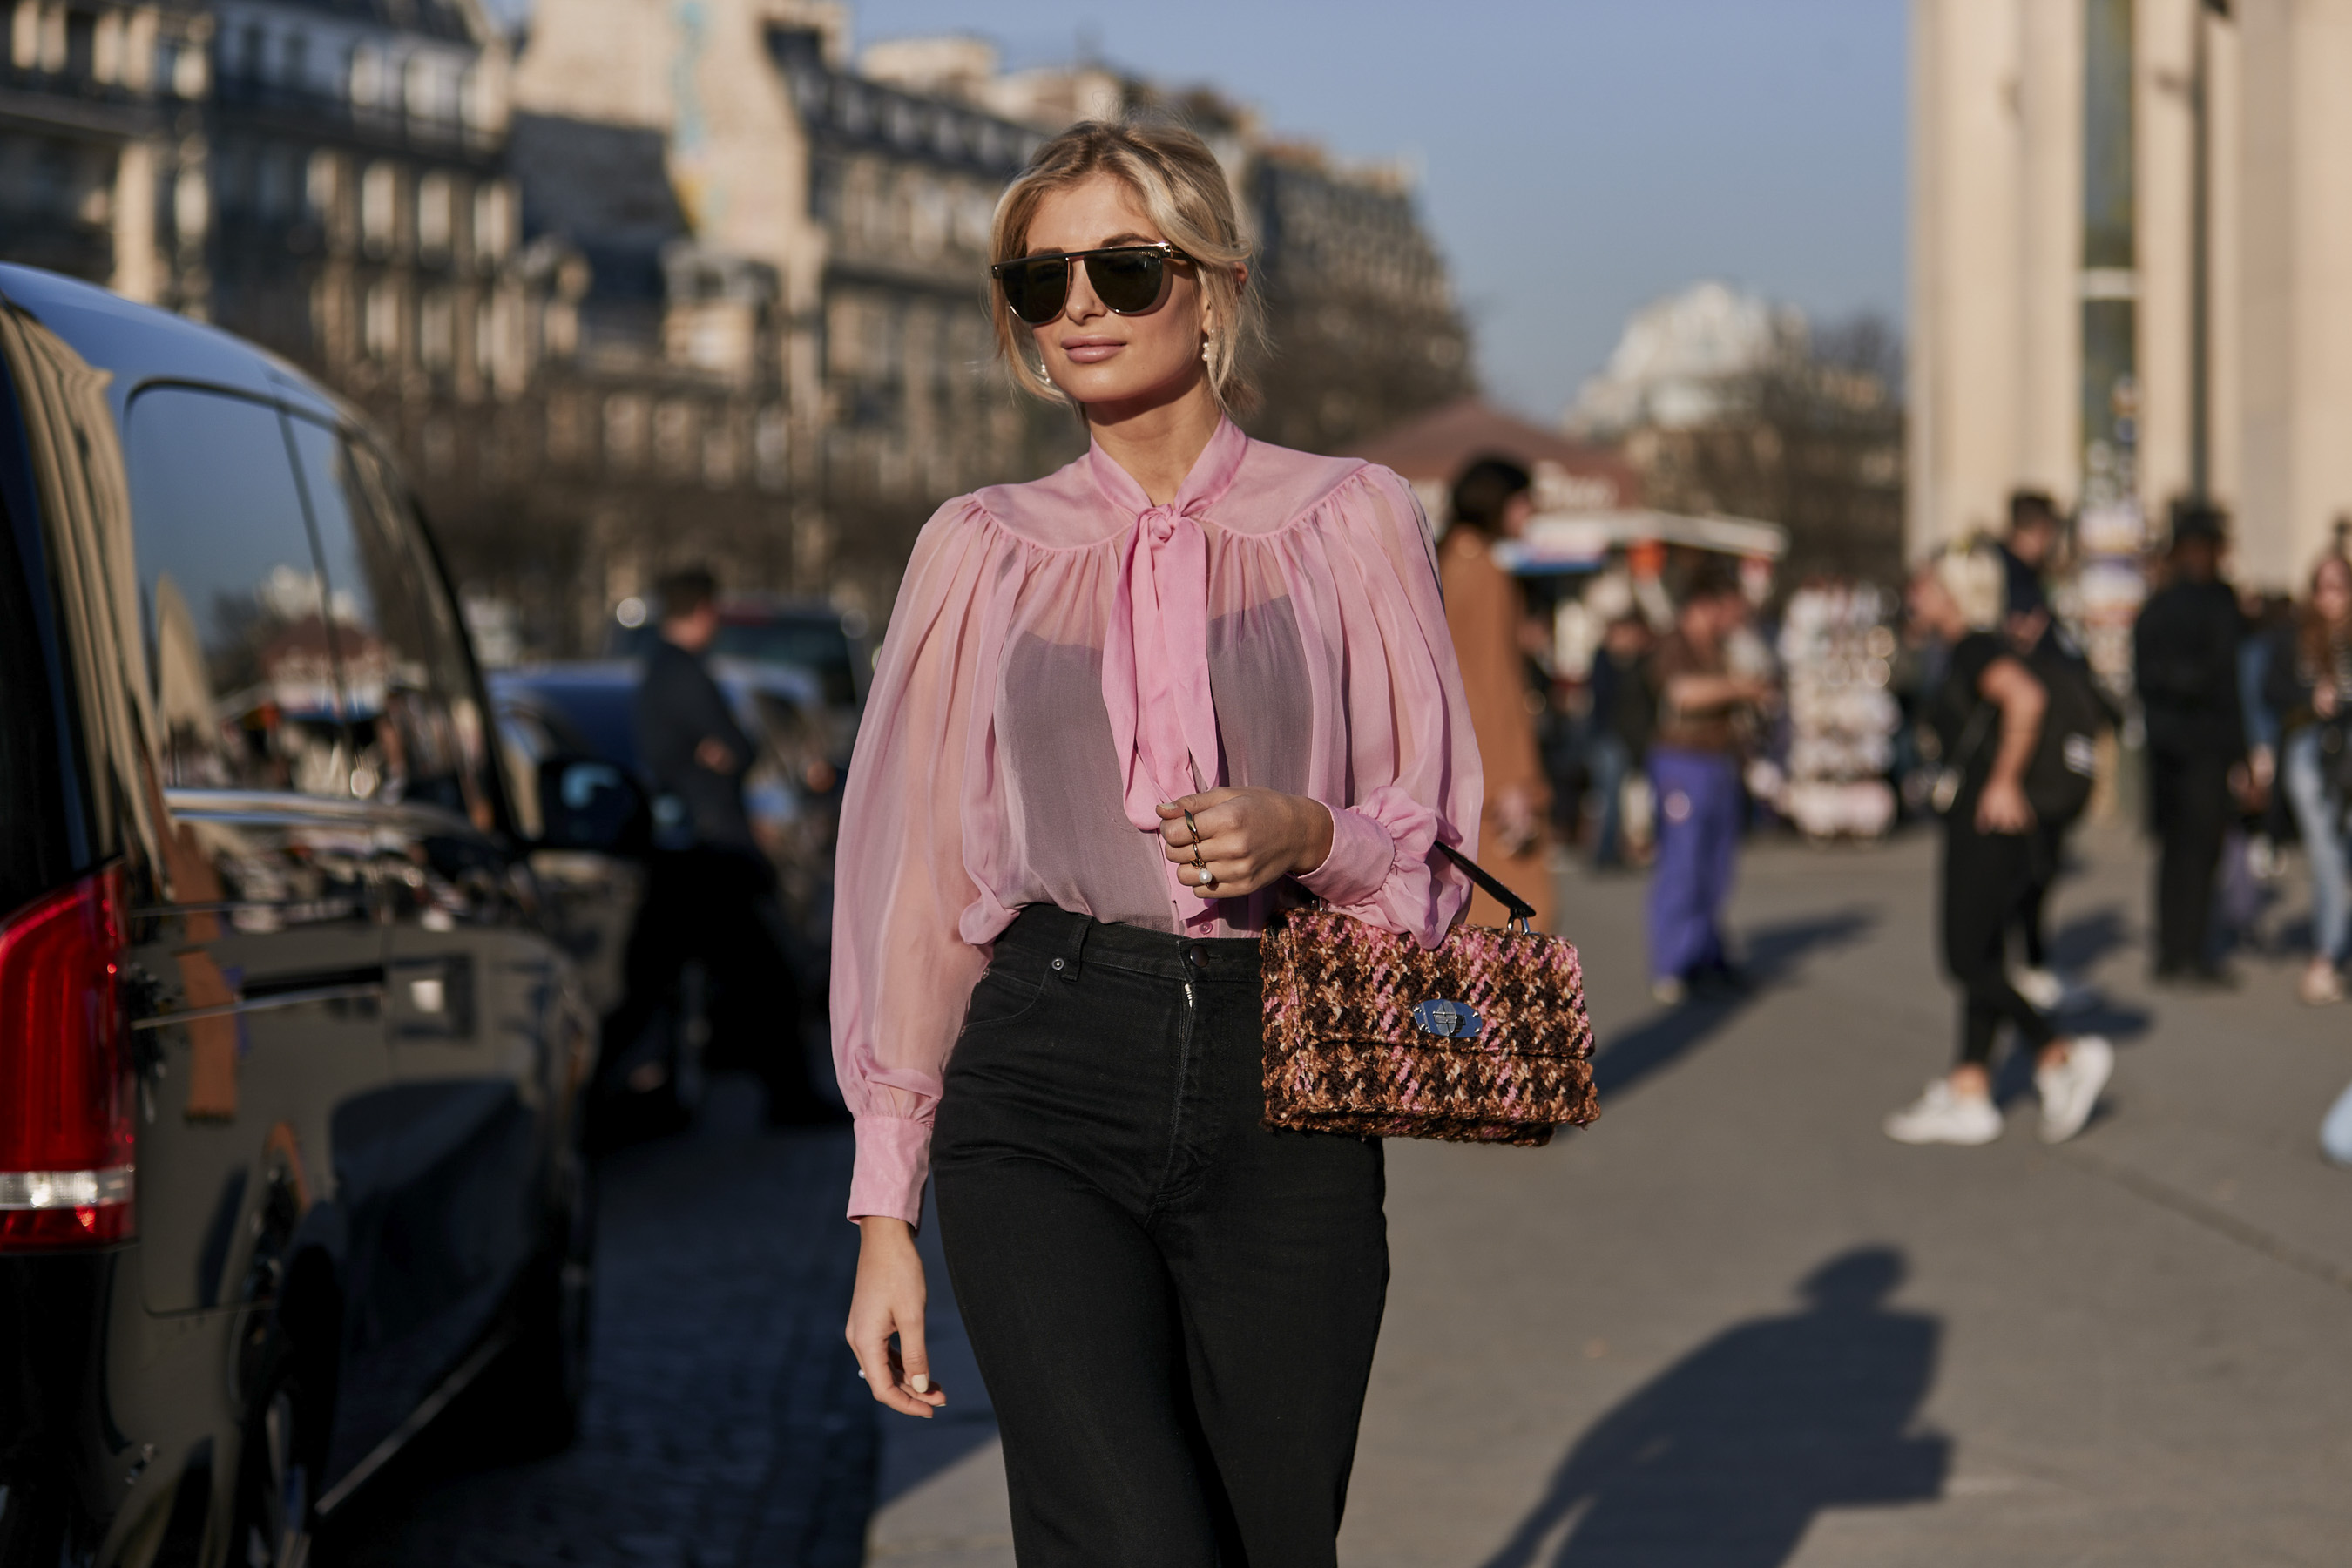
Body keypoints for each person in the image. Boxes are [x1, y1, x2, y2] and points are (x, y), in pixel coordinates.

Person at [833, 116, 1481, 1565]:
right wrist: (887, 1210)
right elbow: (916, 882)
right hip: (1042, 1079)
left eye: (1123, 269)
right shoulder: (980, 548)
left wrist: (1308, 831)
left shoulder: (1347, 522)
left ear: (1211, 286)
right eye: (1039, 277)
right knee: (1132, 1540)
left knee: (1271, 1544)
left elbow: (1432, 843)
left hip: (1288, 1082)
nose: (1078, 306)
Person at [1885, 544, 2112, 1146]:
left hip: (1987, 823)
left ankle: (2059, 1053)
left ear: (1954, 594)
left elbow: (2025, 698)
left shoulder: (1973, 647)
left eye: (1929, 585)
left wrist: (2006, 779)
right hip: (1992, 824)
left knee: (1964, 959)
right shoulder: (1967, 648)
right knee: (1982, 955)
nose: (1918, 594)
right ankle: (1970, 1091)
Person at [618, 566, 836, 1125]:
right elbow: (737, 747)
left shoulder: (659, 671)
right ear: (707, 610)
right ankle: (788, 1098)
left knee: (671, 983)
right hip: (712, 854)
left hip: (695, 850)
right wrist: (723, 752)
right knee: (765, 975)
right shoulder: (683, 675)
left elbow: (726, 749)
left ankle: (633, 1087)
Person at [2133, 502, 2248, 986]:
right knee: (2194, 851)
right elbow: (2227, 683)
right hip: (2197, 747)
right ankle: (2187, 951)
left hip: (2175, 745)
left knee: (2183, 851)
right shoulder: (2215, 605)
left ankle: (2176, 949)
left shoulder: (2160, 606)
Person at [1644, 564, 1769, 1004]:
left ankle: (1705, 952)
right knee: (1684, 862)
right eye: (1726, 608)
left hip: (1719, 762)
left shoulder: (1720, 646)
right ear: (1704, 605)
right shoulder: (1674, 642)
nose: (1730, 618)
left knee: (1716, 865)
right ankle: (1673, 963)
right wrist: (1738, 688)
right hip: (1683, 762)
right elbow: (1682, 694)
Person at [1442, 456, 1555, 930]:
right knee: (1525, 920)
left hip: (1457, 768)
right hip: (1491, 774)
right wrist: (1515, 782)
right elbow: (1492, 684)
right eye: (1523, 500)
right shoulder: (1485, 570)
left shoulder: (1448, 560)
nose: (1530, 512)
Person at [1997, 490, 2093, 1013]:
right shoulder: (2009, 578)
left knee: (2039, 861)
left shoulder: (2026, 578)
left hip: (2041, 737)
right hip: (2030, 745)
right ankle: (2022, 965)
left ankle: (2031, 960)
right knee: (2028, 861)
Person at [2263, 554, 2352, 1004]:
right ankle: (2327, 954)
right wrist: (2309, 697)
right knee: (2327, 854)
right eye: (2324, 587)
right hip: (2308, 751)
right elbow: (2268, 691)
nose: (2332, 597)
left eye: (2341, 587)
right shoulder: (2293, 637)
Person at [1585, 612, 1654, 869]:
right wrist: (1620, 660)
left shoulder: (1645, 660)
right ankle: (1605, 852)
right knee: (1609, 796)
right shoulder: (1604, 660)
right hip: (1610, 737)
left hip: (1641, 737)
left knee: (1642, 799)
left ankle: (1641, 846)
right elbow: (1602, 696)